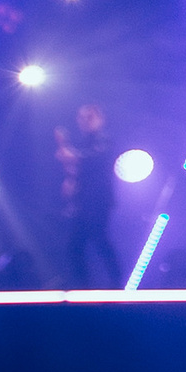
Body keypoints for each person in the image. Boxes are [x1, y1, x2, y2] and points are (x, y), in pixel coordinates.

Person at [57, 103, 117, 288]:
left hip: (98, 201)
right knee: (75, 246)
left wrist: (73, 156)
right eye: (82, 118)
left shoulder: (104, 140)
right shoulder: (82, 143)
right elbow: (78, 171)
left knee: (98, 239)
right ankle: (83, 287)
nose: (85, 121)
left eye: (89, 117)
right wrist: (71, 183)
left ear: (100, 119)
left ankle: (115, 282)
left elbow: (96, 158)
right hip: (83, 202)